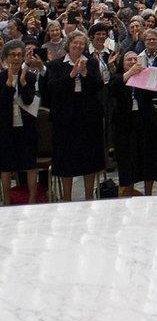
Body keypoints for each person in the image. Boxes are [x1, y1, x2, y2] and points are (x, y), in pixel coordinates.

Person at [46, 30, 104, 201]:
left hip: (87, 116)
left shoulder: (91, 63)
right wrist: (71, 75)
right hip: (65, 117)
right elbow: (52, 88)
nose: (78, 46)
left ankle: (89, 197)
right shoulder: (55, 65)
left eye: (81, 43)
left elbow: (98, 86)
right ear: (68, 45)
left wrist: (85, 73)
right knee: (66, 159)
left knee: (89, 157)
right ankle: (66, 198)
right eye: (75, 43)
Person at [111, 51, 157, 196]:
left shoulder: (146, 74)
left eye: (135, 59)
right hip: (125, 123)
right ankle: (128, 192)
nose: (132, 61)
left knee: (148, 158)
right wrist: (129, 73)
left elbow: (155, 93)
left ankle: (149, 194)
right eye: (129, 59)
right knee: (128, 160)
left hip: (146, 121)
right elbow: (113, 90)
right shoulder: (118, 77)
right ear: (123, 63)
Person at [0, 41, 38, 204]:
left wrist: (22, 83)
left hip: (26, 128)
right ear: (5, 58)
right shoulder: (1, 77)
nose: (16, 58)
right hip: (6, 129)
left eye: (19, 55)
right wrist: (9, 85)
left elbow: (30, 101)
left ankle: (32, 200)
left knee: (30, 165)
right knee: (6, 167)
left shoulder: (29, 76)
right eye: (12, 55)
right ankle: (7, 201)